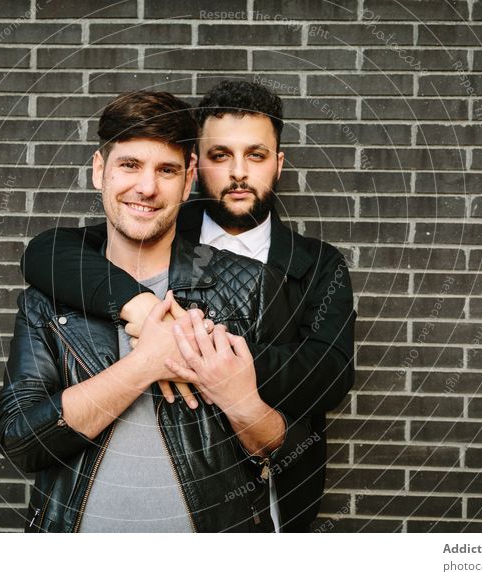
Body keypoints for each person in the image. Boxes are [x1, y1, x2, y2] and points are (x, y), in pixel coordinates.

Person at [20, 80, 356, 532]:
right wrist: (140, 308)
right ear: (198, 167)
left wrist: (202, 353)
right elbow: (47, 252)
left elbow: (329, 373)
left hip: (273, 481)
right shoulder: (151, 224)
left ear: (278, 164)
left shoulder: (315, 264)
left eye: (255, 155)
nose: (238, 172)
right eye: (221, 155)